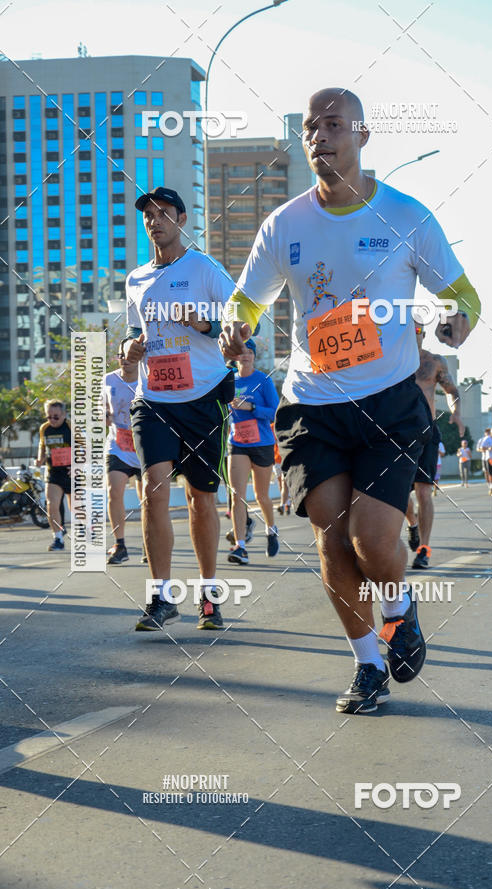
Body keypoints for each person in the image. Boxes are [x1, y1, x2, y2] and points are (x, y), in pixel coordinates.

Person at [219, 88, 481, 714]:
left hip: (388, 403)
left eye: (334, 125)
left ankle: (399, 607)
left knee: (371, 541)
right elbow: (247, 299)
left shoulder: (405, 215)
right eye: (311, 127)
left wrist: (455, 321)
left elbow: (462, 295)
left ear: (362, 135)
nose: (320, 136)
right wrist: (235, 326)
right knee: (332, 541)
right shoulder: (284, 225)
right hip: (312, 406)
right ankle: (367, 665)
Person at [124, 186, 236, 631]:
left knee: (200, 499)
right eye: (149, 215)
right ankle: (161, 597)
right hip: (152, 398)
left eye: (164, 213)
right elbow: (132, 331)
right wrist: (128, 349)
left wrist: (204, 323)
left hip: (202, 397)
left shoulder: (205, 268)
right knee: (153, 489)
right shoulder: (136, 279)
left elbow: (242, 320)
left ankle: (209, 595)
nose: (155, 221)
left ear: (182, 220)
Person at [405, 324, 464, 569]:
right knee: (400, 493)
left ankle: (424, 549)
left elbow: (452, 390)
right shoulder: (390, 363)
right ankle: (412, 523)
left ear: (423, 333)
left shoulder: (435, 362)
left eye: (417, 330)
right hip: (398, 434)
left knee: (423, 492)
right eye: (407, 330)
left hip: (427, 431)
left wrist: (456, 412)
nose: (413, 334)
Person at [226, 338, 280, 564]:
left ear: (254, 356)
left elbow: (275, 412)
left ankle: (271, 529)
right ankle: (240, 547)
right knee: (236, 496)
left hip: (262, 443)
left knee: (261, 496)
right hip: (237, 442)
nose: (246, 355)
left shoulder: (263, 380)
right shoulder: (229, 380)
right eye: (242, 352)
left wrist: (252, 407)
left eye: (250, 352)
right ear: (235, 356)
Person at [103, 340, 145, 565]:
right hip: (118, 445)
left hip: (145, 446)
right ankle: (119, 544)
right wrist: (103, 416)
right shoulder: (108, 380)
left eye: (129, 356)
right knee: (114, 490)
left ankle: (150, 541)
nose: (125, 360)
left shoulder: (147, 380)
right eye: (121, 356)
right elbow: (100, 408)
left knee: (147, 499)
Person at [35, 399, 71, 551]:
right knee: (51, 504)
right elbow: (42, 446)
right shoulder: (45, 428)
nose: (52, 420)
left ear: (64, 414)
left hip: (71, 471)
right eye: (49, 416)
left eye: (56, 417)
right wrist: (40, 459)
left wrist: (78, 465)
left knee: (76, 506)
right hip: (53, 472)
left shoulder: (71, 426)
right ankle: (58, 538)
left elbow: (85, 447)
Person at [477, 428, 492, 495]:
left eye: (489, 432)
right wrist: (488, 449)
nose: (488, 433)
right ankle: (489, 486)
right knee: (487, 473)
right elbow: (479, 449)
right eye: (487, 432)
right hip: (485, 458)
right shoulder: (482, 439)